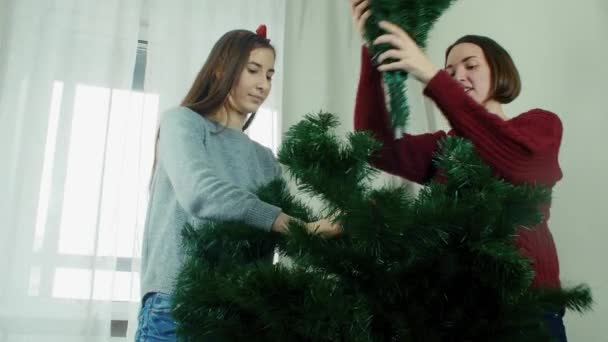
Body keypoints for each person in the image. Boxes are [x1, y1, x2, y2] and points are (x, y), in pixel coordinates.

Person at [349, 1, 567, 340]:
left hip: (531, 311)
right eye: (449, 71)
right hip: (458, 315)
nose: (458, 76)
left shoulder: (540, 126)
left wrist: (434, 77)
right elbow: (374, 147)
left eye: (470, 65)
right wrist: (372, 52)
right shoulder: (444, 145)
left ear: (499, 71)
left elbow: (515, 161)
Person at [135, 26, 341, 341]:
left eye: (270, 76)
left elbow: (272, 238)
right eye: (253, 70)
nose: (263, 84)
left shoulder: (264, 159)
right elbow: (199, 193)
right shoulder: (183, 122)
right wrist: (296, 224)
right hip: (176, 304)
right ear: (221, 70)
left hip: (241, 312)